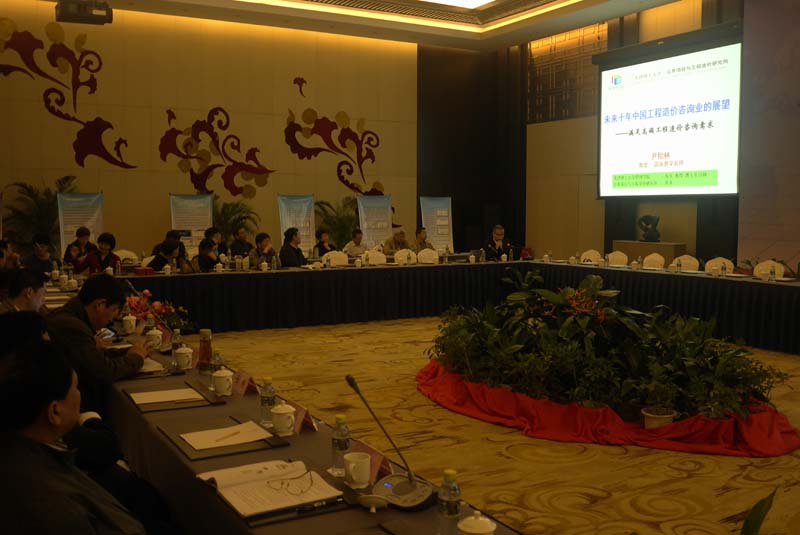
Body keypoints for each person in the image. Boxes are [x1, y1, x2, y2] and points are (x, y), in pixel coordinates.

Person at [0, 341, 148, 535]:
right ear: (55, 411)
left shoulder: (23, 449)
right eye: (76, 388)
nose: (80, 397)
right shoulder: (52, 503)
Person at [46, 274, 147, 414]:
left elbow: (90, 356)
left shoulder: (70, 315)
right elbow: (103, 371)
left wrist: (127, 352)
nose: (113, 318)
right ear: (100, 305)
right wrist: (135, 359)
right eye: (114, 310)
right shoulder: (73, 327)